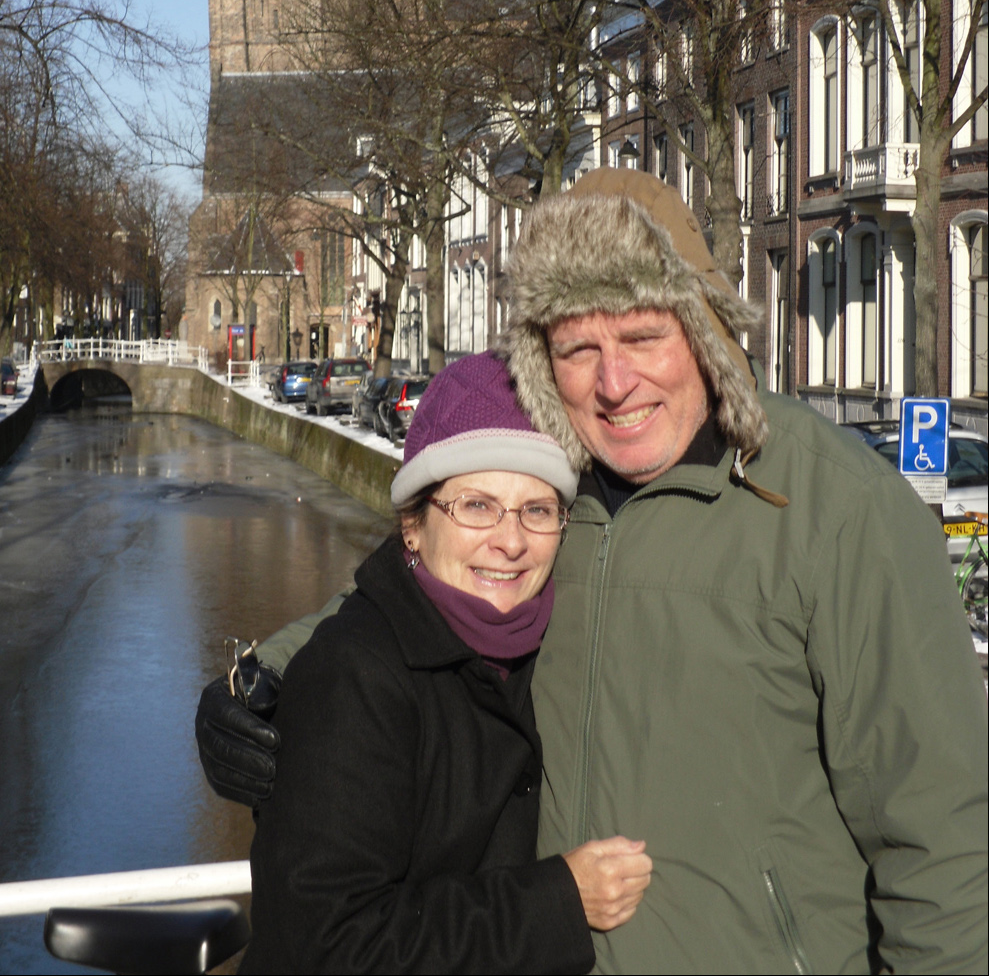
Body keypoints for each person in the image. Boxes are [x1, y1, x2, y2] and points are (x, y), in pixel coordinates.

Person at [199, 170, 988, 974]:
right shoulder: (544, 495)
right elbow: (417, 586)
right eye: (579, 349)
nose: (614, 385)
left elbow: (941, 830)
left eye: (643, 337)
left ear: (703, 329)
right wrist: (264, 679)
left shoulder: (835, 509)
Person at [234, 351, 651, 974]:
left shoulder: (548, 651)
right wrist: (559, 900)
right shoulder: (352, 676)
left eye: (537, 510)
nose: (511, 541)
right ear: (412, 524)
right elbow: (326, 945)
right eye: (477, 506)